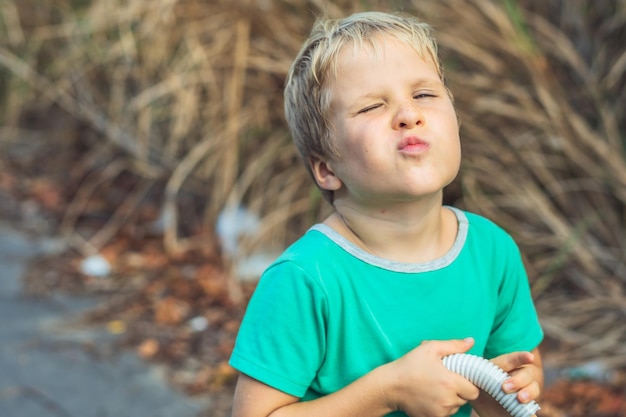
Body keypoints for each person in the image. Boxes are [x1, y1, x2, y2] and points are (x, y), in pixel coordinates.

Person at [228, 10, 544, 417]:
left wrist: (510, 386)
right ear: (327, 168)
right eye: (373, 106)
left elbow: (521, 389)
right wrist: (387, 392)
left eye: (424, 95)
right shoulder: (306, 280)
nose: (409, 114)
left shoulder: (492, 252)